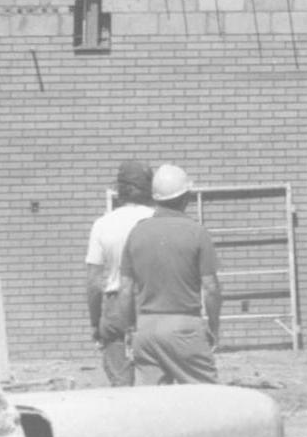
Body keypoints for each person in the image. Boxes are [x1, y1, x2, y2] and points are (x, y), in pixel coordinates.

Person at [120, 163, 222, 384]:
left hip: (146, 329)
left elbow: (125, 290)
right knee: (207, 400)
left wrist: (130, 329)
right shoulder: (197, 232)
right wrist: (213, 325)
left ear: (155, 198)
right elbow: (211, 287)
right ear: (186, 197)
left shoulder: (137, 232)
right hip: (184, 328)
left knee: (152, 406)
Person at [83, 159, 155, 386]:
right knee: (156, 380)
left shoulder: (102, 224)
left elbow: (94, 282)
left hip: (116, 305)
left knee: (121, 384)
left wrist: (95, 322)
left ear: (120, 190)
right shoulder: (159, 220)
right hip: (154, 303)